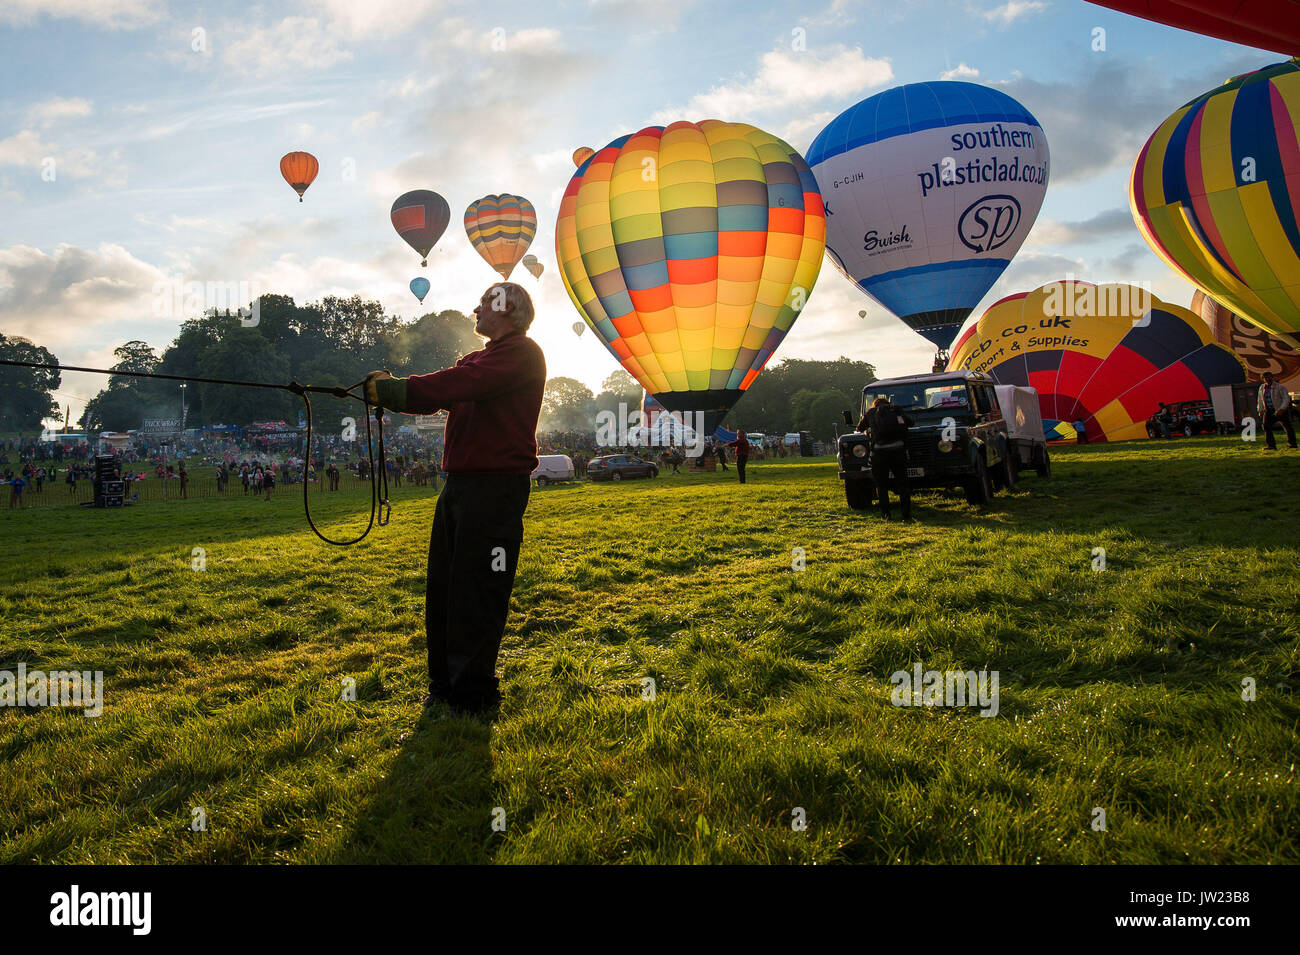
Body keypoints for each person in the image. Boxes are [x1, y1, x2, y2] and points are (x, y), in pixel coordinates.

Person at [365, 282, 546, 718]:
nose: (475, 310)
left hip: (495, 490)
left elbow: (463, 383)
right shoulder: (477, 360)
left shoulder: (522, 353)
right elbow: (445, 393)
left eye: (485, 303)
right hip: (458, 487)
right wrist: (387, 395)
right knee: (444, 588)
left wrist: (396, 390)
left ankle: (474, 692)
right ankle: (444, 685)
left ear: (508, 309)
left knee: (478, 588)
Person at [870, 397, 913, 522]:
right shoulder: (896, 410)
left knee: (881, 485)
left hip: (879, 453)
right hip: (898, 451)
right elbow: (910, 423)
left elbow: (860, 427)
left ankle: (886, 515)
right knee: (903, 485)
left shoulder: (871, 413)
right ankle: (906, 515)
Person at [1257, 371, 1296, 450]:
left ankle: (1292, 444)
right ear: (1263, 379)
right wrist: (1260, 410)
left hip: (1280, 410)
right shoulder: (1262, 387)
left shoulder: (1280, 387)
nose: (1267, 379)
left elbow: (1286, 398)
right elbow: (1260, 400)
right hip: (1269, 410)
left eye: (1269, 377)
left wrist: (1282, 409)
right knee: (1265, 426)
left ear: (1272, 377)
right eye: (1265, 378)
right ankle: (1271, 445)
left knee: (1287, 427)